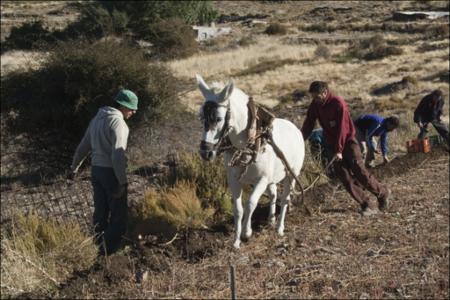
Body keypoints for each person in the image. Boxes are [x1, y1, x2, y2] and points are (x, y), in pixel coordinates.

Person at [301, 81, 391, 216]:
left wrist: (339, 149)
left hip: (348, 143)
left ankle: (383, 193)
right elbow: (309, 122)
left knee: (360, 172)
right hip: (332, 145)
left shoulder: (338, 103)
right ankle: (367, 204)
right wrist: (300, 138)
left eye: (317, 96)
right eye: (313, 97)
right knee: (345, 178)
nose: (315, 100)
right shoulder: (315, 105)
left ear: (325, 92)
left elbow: (343, 129)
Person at [70, 89, 138, 255]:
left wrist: (74, 168)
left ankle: (96, 250)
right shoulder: (119, 124)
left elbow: (83, 146)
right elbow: (117, 155)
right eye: (131, 108)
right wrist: (122, 181)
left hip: (96, 172)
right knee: (118, 218)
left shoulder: (96, 119)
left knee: (100, 214)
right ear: (122, 106)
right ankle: (109, 255)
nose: (133, 112)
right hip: (111, 174)